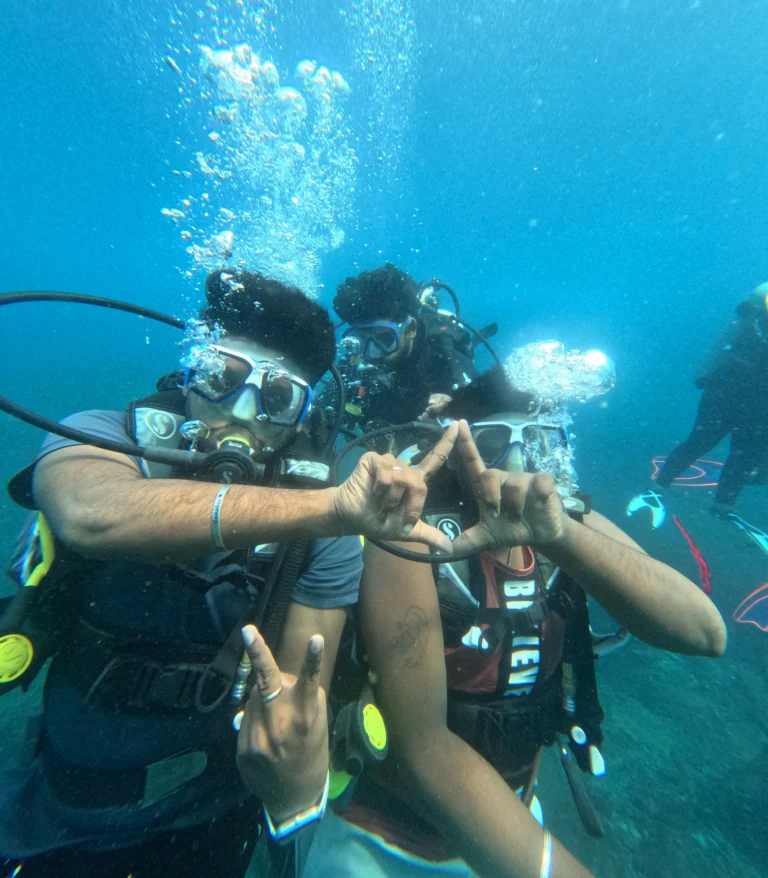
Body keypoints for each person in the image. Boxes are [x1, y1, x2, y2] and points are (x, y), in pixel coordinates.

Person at [0, 268, 457, 878]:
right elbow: (92, 514)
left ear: (301, 417)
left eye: (275, 398)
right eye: (221, 378)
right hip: (52, 816)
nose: (240, 414)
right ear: (189, 374)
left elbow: (298, 700)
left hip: (207, 825)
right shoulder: (99, 434)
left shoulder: (325, 541)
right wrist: (327, 509)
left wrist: (298, 784)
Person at [297, 366, 727, 878]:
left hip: (513, 824)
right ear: (460, 453)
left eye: (541, 444)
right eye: (496, 442)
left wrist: (563, 537)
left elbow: (705, 633)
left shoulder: (566, 522)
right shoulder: (415, 535)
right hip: (379, 842)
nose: (521, 464)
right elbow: (423, 746)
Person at [628, 283, 768, 527]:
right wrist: (705, 369)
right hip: (727, 387)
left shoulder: (754, 307)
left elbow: (725, 337)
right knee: (702, 441)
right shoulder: (754, 308)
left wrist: (706, 370)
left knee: (741, 453)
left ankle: (724, 504)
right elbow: (726, 336)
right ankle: (660, 485)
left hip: (755, 396)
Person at [331, 262, 479, 432]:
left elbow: (480, 407)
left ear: (410, 329)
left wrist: (455, 409)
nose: (371, 353)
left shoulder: (442, 349)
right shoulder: (356, 361)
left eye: (384, 338)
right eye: (362, 339)